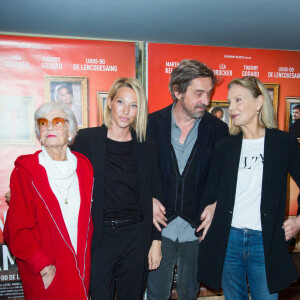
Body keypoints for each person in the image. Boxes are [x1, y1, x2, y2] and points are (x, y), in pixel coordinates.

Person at [197, 76, 300, 299]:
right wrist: (213, 205)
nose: (231, 107)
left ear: (259, 102)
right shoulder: (225, 147)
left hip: (266, 243)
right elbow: (211, 191)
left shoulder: (283, 143)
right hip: (229, 240)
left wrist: (299, 220)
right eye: (229, 101)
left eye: (238, 100)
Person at [71, 77, 164, 300]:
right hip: (100, 237)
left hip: (136, 237)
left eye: (134, 106)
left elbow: (157, 196)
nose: (126, 111)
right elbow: (64, 177)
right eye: (121, 102)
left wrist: (156, 241)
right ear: (110, 102)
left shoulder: (147, 145)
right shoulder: (87, 140)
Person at [146, 59, 228, 300]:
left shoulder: (219, 130)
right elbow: (138, 172)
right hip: (159, 230)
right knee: (156, 293)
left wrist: (217, 203)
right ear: (177, 91)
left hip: (197, 231)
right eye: (199, 93)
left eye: (209, 93)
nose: (207, 100)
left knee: (190, 293)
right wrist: (146, 199)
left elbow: (226, 178)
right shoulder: (150, 125)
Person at [3, 102, 94, 300]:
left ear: (70, 130)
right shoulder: (26, 171)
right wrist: (41, 265)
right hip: (48, 269)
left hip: (80, 264)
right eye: (43, 123)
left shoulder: (84, 167)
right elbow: (17, 228)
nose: (50, 127)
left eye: (58, 121)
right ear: (39, 132)